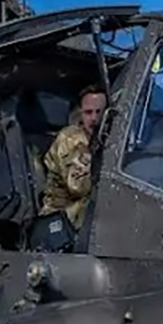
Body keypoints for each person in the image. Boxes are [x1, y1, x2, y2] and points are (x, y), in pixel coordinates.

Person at [31, 84, 107, 250]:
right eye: (88, 112)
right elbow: (78, 187)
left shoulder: (103, 139)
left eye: (99, 112)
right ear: (80, 113)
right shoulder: (71, 139)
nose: (94, 118)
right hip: (60, 220)